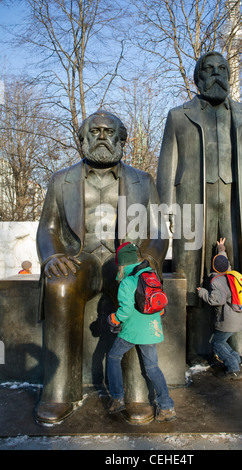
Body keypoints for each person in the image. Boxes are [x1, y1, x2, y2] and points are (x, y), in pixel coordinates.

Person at [35, 110, 168, 425]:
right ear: (81, 139)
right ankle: (59, 391)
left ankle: (136, 393)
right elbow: (48, 229)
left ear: (123, 139)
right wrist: (52, 256)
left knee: (137, 285)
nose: (102, 137)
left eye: (110, 132)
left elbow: (158, 231)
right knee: (61, 284)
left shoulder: (143, 180)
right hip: (79, 259)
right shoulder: (60, 180)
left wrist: (146, 262)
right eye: (94, 132)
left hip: (124, 258)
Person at [156, 51, 242, 367]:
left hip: (240, 204)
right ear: (197, 78)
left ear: (229, 75)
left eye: (222, 69)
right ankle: (195, 349)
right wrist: (165, 208)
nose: (216, 74)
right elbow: (167, 163)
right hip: (192, 202)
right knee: (193, 273)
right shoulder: (178, 116)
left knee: (241, 274)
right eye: (208, 69)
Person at [106, 242, 176, 422]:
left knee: (114, 357)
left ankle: (117, 398)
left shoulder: (127, 282)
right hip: (152, 329)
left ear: (123, 264)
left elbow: (125, 311)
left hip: (132, 332)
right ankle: (167, 407)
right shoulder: (151, 275)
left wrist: (114, 319)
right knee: (153, 368)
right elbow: (159, 304)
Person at [197, 238, 242, 380]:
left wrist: (202, 292)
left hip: (227, 321)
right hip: (238, 317)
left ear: (214, 267)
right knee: (222, 342)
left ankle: (234, 370)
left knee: (216, 343)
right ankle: (236, 361)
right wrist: (221, 248)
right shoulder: (231, 274)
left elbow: (216, 300)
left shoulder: (218, 281)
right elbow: (224, 261)